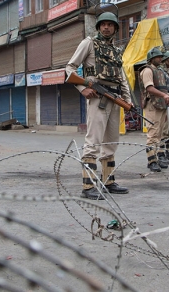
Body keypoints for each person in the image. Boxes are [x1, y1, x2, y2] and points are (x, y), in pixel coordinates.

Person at [66, 11, 132, 200]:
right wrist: (81, 87)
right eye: (103, 24)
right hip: (97, 96)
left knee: (111, 142)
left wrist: (128, 101)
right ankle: (88, 187)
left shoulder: (117, 50)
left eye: (110, 25)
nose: (106, 27)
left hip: (115, 98)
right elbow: (69, 68)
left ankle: (108, 181)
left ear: (115, 28)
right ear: (98, 27)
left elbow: (121, 77)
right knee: (93, 141)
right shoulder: (89, 43)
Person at [139, 47, 169, 172]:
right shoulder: (147, 70)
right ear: (152, 58)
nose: (161, 59)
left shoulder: (159, 71)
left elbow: (164, 89)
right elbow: (149, 88)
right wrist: (164, 96)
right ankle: (151, 161)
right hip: (152, 105)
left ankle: (158, 158)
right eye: (158, 57)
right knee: (153, 133)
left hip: (161, 105)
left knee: (159, 134)